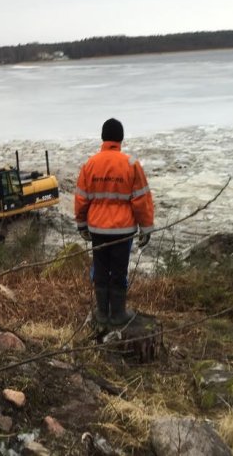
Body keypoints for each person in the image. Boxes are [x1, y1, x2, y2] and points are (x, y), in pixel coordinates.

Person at [74, 118, 154, 326]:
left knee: (100, 269)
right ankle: (118, 314)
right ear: (121, 138)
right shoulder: (131, 164)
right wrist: (146, 228)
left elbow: (81, 198)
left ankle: (102, 313)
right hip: (123, 230)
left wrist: (82, 225)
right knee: (119, 270)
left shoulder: (90, 164)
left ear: (103, 137)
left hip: (97, 229)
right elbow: (141, 199)